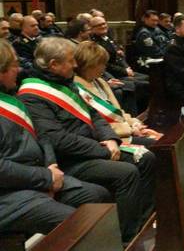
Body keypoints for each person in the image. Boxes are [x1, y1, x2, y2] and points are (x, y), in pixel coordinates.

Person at [18, 37, 156, 243]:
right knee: (125, 172)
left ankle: (141, 224)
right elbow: (57, 139)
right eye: (70, 60)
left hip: (95, 148)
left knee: (146, 158)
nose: (75, 65)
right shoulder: (32, 94)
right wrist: (103, 150)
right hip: (71, 159)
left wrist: (109, 139)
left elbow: (94, 115)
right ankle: (125, 238)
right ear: (54, 64)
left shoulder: (64, 82)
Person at [0, 40, 110, 237]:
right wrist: (44, 178)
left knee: (97, 195)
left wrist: (50, 166)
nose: (19, 69)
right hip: (9, 193)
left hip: (36, 175)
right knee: (78, 223)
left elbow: (41, 136)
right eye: (14, 65)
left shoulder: (8, 96)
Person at [73, 41, 161, 147]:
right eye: (102, 64)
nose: (104, 68)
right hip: (111, 138)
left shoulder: (100, 81)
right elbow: (97, 125)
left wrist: (134, 123)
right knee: (157, 144)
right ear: (90, 65)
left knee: (160, 137)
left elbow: (118, 113)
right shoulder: (78, 88)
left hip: (125, 130)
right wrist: (130, 129)